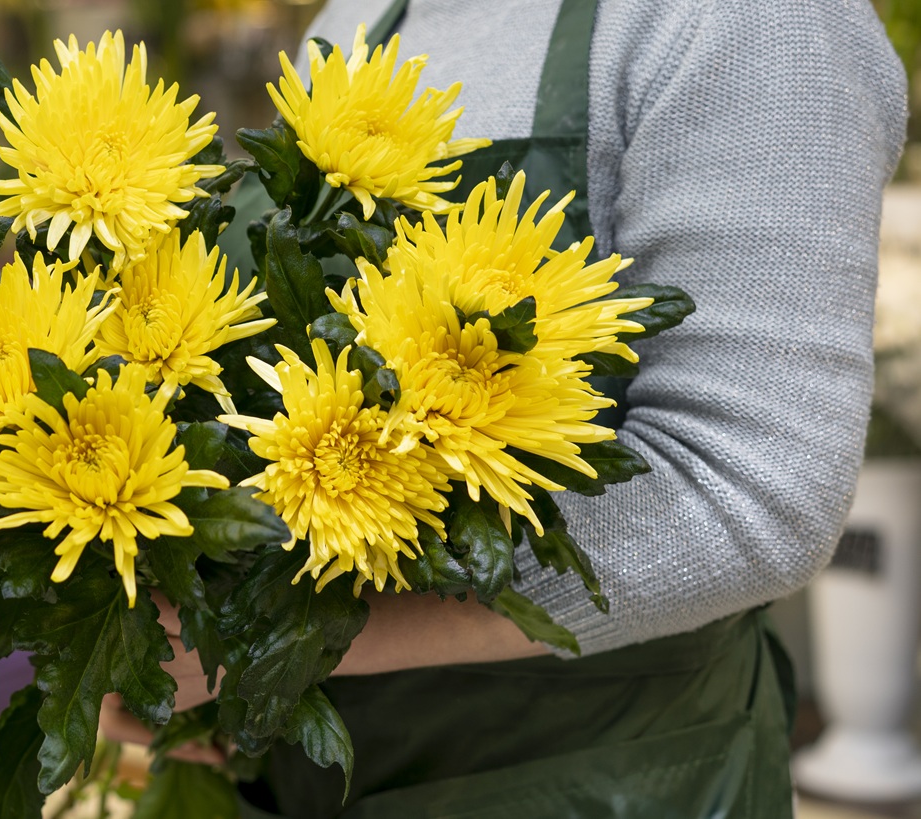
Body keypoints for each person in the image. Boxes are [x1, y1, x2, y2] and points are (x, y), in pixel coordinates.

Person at [99, 0, 909, 815]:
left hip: (594, 777)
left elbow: (752, 493)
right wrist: (144, 634)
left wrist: (271, 642)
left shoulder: (756, 22)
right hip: (290, 778)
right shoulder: (360, 17)